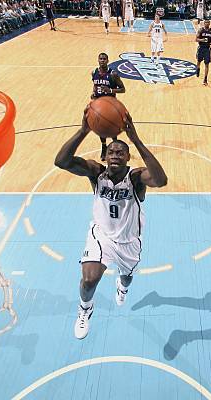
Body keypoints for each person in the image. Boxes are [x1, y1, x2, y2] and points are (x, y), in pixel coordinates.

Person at [54, 109, 168, 340]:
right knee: (89, 279)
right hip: (101, 236)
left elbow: (161, 180)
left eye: (121, 152)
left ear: (127, 158)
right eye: (112, 151)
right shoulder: (96, 173)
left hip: (129, 241)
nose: (116, 154)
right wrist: (83, 130)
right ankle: (85, 309)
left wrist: (135, 139)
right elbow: (61, 162)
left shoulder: (135, 179)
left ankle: (122, 286)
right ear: (105, 157)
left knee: (127, 277)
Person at [91, 53, 126, 160]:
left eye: (104, 59)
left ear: (107, 60)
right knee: (100, 127)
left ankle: (115, 146)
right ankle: (103, 147)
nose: (102, 61)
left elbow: (123, 89)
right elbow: (95, 85)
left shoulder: (113, 74)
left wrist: (110, 90)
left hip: (110, 106)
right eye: (100, 59)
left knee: (111, 128)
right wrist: (93, 93)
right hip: (98, 105)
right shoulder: (94, 72)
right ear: (98, 60)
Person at [195, 19, 211, 86]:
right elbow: (196, 39)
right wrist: (202, 40)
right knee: (199, 61)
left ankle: (205, 79)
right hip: (201, 48)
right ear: (204, 23)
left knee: (207, 64)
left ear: (209, 23)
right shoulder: (200, 30)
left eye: (208, 22)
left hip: (207, 49)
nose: (206, 23)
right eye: (205, 22)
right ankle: (198, 69)